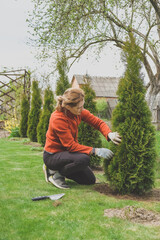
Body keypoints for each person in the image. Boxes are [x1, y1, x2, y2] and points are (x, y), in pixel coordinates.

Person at [43, 88, 121, 189]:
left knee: (89, 180)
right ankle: (55, 175)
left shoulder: (78, 112)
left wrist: (109, 134)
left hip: (68, 156)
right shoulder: (58, 118)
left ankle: (56, 170)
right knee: (83, 159)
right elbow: (71, 146)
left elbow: (98, 122)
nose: (82, 109)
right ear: (67, 106)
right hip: (53, 156)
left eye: (82, 106)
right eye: (79, 107)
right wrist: (96, 151)